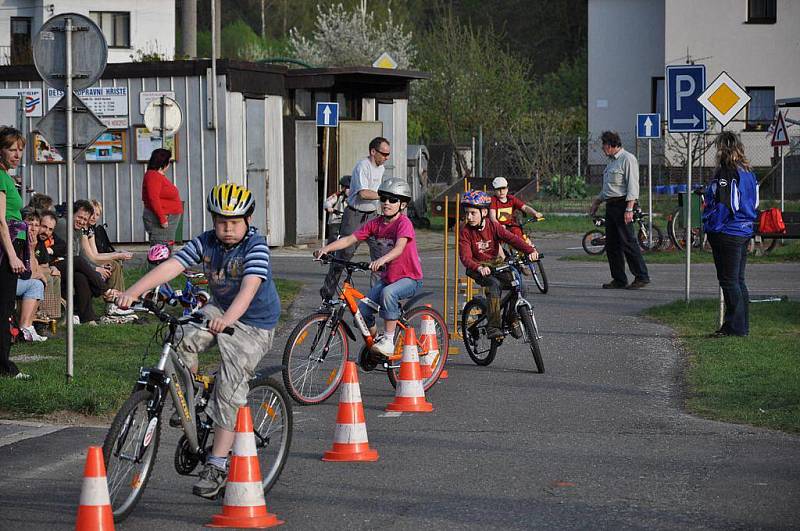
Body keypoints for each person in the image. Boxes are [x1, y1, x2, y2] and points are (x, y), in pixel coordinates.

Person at [116, 182, 281, 500]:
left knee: (229, 390)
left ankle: (217, 464)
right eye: (220, 222)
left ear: (247, 220)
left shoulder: (256, 246)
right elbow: (172, 266)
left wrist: (228, 320)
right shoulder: (206, 242)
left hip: (253, 323)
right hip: (219, 309)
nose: (227, 228)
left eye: (233, 222)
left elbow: (249, 288)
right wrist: (132, 292)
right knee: (181, 339)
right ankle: (191, 401)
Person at [314, 178, 422, 357]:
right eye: (384, 199)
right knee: (362, 313)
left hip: (409, 278)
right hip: (389, 278)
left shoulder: (404, 223)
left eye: (393, 200)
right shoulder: (376, 223)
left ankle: (388, 340)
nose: (387, 203)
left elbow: (399, 248)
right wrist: (326, 249)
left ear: (402, 204)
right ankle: (376, 346)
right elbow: (350, 239)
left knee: (389, 294)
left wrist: (381, 260)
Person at [459, 190, 539, 339]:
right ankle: (493, 327)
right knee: (493, 285)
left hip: (495, 264)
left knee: (520, 285)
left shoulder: (493, 226)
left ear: (484, 212)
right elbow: (465, 257)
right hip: (477, 266)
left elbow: (512, 239)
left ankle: (512, 317)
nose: (469, 217)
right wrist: (479, 267)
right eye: (467, 213)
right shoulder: (465, 231)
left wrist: (530, 251)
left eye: (472, 213)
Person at [319, 137, 391, 300]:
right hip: (355, 215)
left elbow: (375, 193)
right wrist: (385, 195)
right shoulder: (362, 167)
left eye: (388, 154)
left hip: (372, 215)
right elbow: (364, 193)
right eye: (384, 154)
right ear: (373, 152)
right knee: (344, 255)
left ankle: (377, 295)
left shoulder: (381, 169)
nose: (386, 157)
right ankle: (327, 294)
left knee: (380, 256)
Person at [702, 132, 758, 337]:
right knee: (738, 280)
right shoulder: (748, 172)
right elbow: (754, 202)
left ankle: (734, 327)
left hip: (728, 231)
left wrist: (713, 226)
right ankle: (742, 326)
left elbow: (727, 204)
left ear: (722, 150)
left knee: (728, 281)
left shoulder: (727, 172)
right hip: (744, 229)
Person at [589, 131, 650, 290]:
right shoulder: (611, 162)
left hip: (623, 205)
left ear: (610, 145)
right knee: (612, 245)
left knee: (628, 242)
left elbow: (632, 187)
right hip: (611, 206)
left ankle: (641, 276)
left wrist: (629, 209)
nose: (602, 148)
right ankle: (619, 278)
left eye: (604, 145)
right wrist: (597, 202)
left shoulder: (627, 159)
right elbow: (608, 188)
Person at [0, 126, 29, 378]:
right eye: (11, 149)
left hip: (13, 243)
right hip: (5, 247)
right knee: (4, 307)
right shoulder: (0, 177)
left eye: (20, 149)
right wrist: (12, 255)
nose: (16, 154)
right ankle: (5, 367)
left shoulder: (7, 177)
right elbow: (0, 219)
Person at [16, 209, 47, 342]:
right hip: (10, 281)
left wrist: (32, 248)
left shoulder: (34, 242)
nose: (33, 228)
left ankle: (28, 326)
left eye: (36, 224)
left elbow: (35, 269)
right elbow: (29, 273)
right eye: (30, 223)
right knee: (36, 284)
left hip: (18, 280)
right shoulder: (18, 239)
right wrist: (39, 275)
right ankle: (25, 328)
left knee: (39, 284)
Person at [142, 148, 183, 246]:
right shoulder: (153, 176)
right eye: (168, 161)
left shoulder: (156, 175)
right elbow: (153, 198)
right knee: (161, 249)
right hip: (162, 219)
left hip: (167, 218)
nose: (169, 164)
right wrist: (162, 219)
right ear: (163, 163)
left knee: (165, 246)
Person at [323, 175, 350, 244]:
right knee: (334, 237)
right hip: (336, 220)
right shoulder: (338, 195)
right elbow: (327, 202)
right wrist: (330, 208)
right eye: (347, 188)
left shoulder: (354, 197)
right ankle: (329, 252)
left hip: (347, 221)